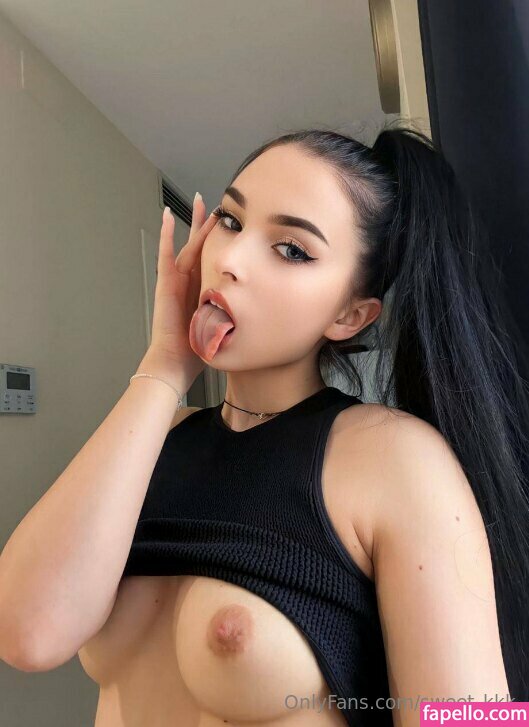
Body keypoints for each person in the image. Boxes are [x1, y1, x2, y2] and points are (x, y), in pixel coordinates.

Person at [1, 123, 528, 727]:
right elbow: (27, 635)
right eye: (230, 220)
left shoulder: (391, 456)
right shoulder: (156, 435)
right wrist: (163, 369)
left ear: (349, 315)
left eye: (292, 250)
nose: (230, 260)